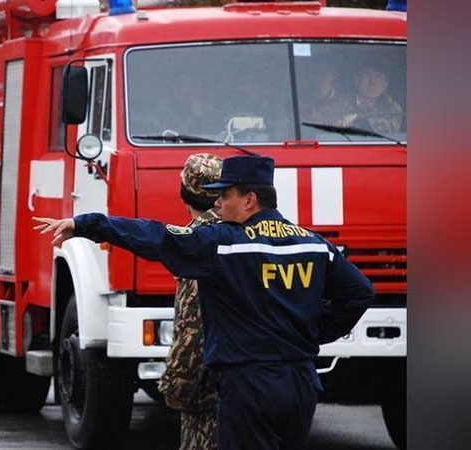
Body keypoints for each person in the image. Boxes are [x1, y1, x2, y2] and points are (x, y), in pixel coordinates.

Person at [34, 155, 374, 450]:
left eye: (225, 195)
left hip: (248, 385)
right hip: (301, 383)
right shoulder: (312, 244)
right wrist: (314, 332)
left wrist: (87, 224)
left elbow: (155, 236)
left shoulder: (223, 245)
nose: (218, 204)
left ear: (249, 200)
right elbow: (360, 292)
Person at [156, 153, 222, 450]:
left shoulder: (196, 242)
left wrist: (176, 386)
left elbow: (193, 326)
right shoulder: (242, 231)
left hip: (207, 394)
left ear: (185, 193)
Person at [338, 63, 403, 134]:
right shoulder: (338, 104)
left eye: (378, 76)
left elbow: (387, 135)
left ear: (385, 84)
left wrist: (357, 120)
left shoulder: (391, 107)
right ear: (356, 80)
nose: (372, 81)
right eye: (366, 75)